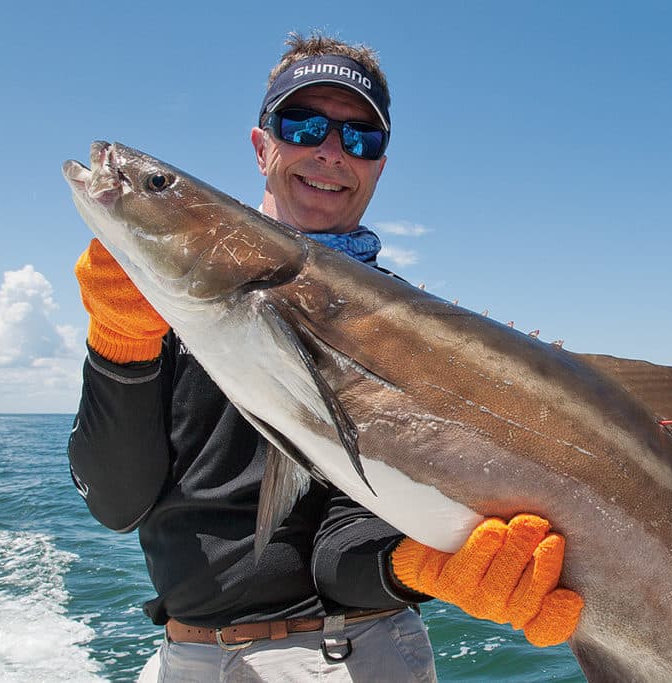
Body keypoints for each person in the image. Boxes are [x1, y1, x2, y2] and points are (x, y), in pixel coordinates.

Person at [68, 31, 582, 683]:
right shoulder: (157, 304)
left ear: (379, 165)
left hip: (349, 654)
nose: (331, 152)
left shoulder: (407, 328)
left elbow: (339, 551)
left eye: (360, 137)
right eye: (303, 124)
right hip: (185, 658)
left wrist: (418, 565)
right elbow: (115, 501)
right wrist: (120, 343)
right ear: (262, 146)